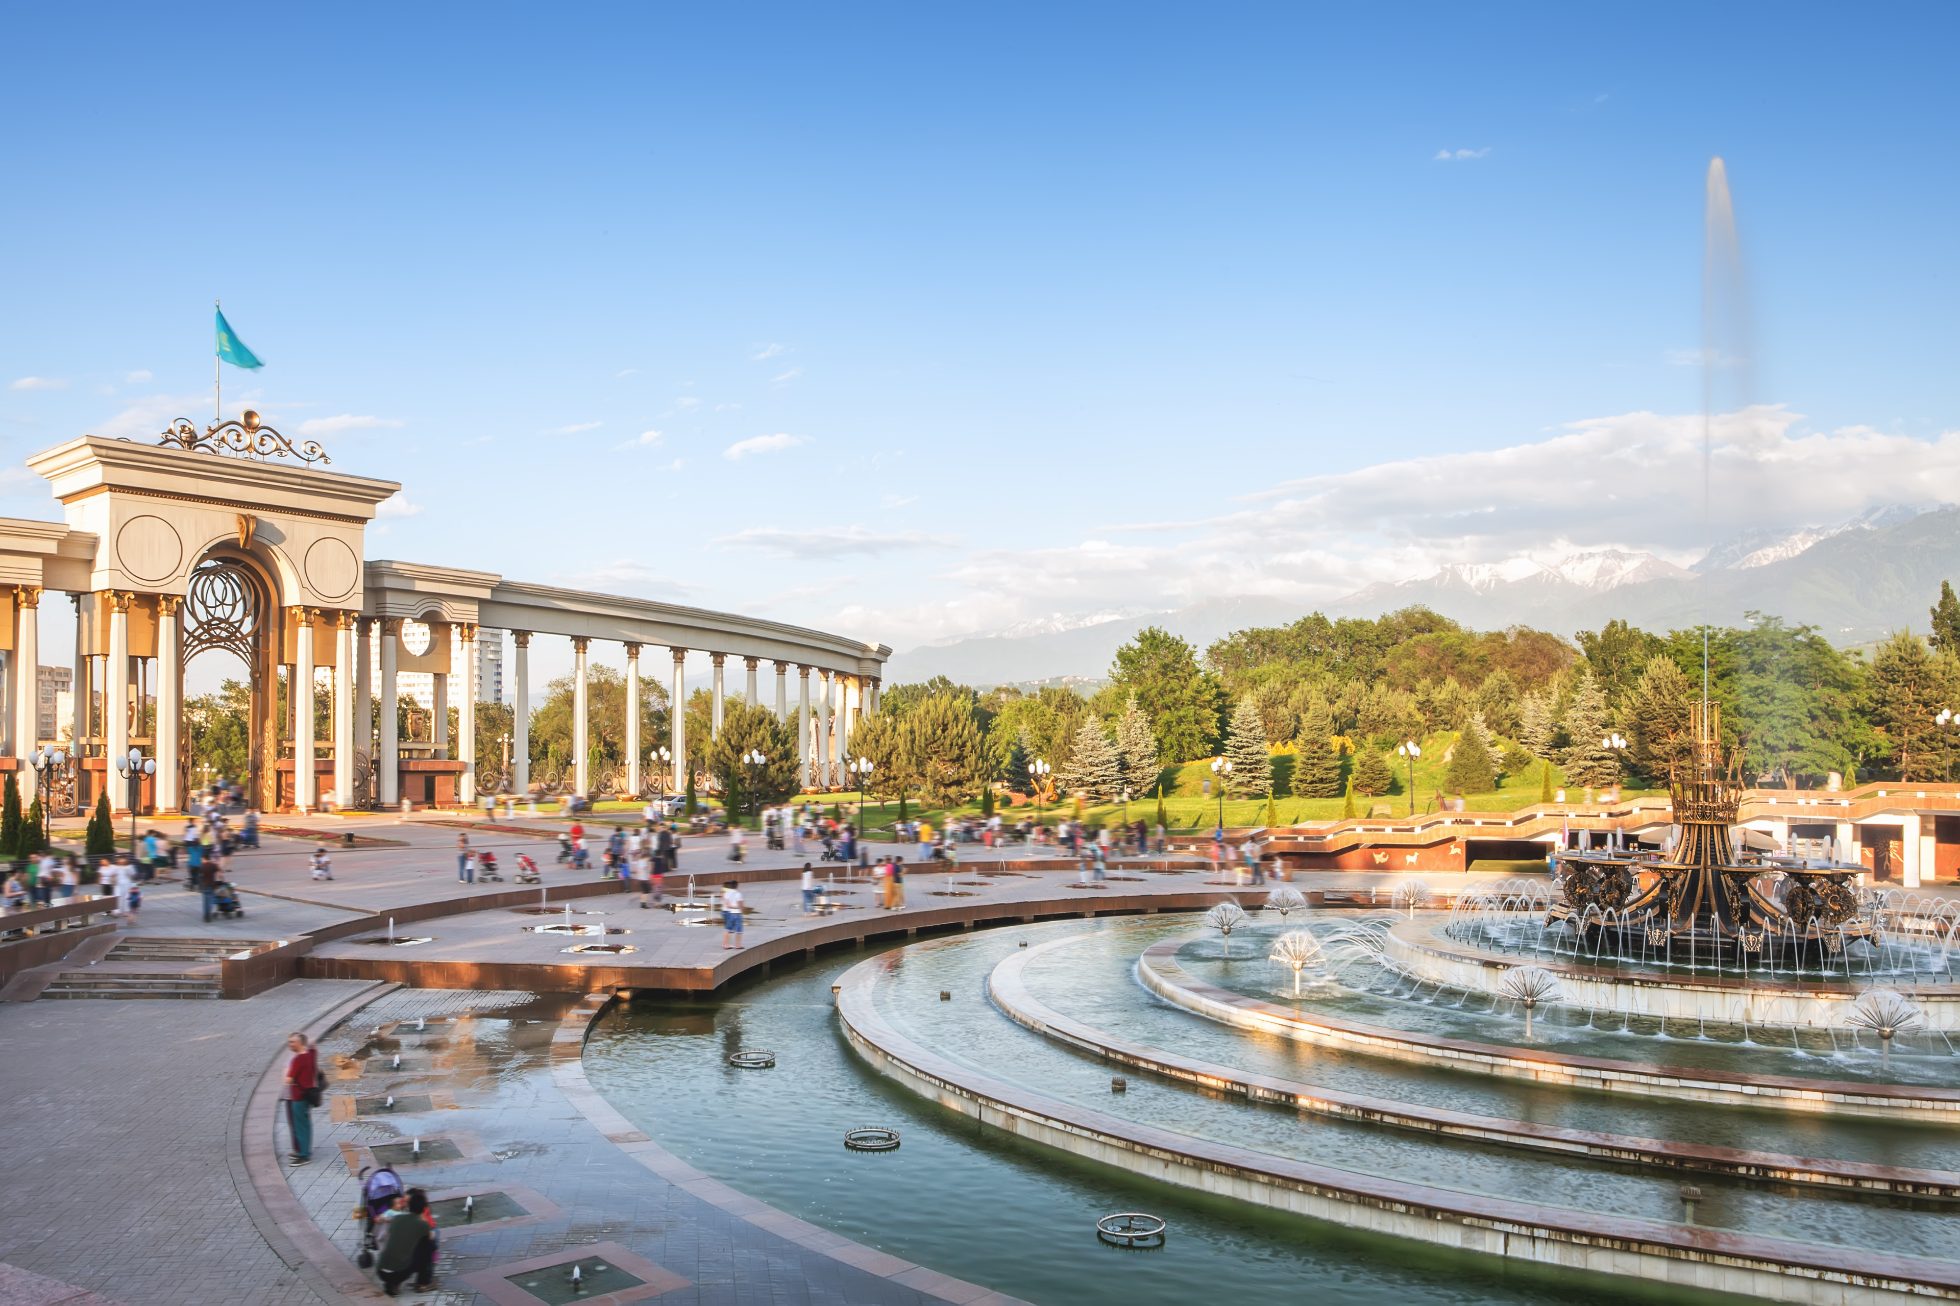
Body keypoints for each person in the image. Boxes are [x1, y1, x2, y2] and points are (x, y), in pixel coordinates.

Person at [375, 1189, 433, 1296]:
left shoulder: (397, 1218)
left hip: (380, 1269)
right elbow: (431, 1236)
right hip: (399, 1273)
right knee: (428, 1245)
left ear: (408, 1206)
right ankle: (422, 1283)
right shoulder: (422, 1224)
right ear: (424, 1208)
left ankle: (391, 1284)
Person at [282, 1032, 318, 1165]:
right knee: (305, 1124)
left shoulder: (298, 1060)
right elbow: (313, 1046)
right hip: (308, 1095)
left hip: (298, 1097)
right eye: (290, 1041)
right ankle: (304, 1151)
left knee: (300, 1125)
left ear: (300, 1043)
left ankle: (304, 1155)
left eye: (293, 1042)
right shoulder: (310, 1055)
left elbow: (288, 1080)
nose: (290, 1044)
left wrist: (287, 1075)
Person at [720, 880, 745, 950]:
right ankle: (737, 945)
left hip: (729, 912)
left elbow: (726, 903)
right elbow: (741, 905)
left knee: (728, 929)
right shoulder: (738, 894)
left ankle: (725, 944)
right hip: (734, 912)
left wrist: (730, 906)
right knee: (738, 930)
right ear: (737, 886)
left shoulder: (726, 893)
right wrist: (739, 909)